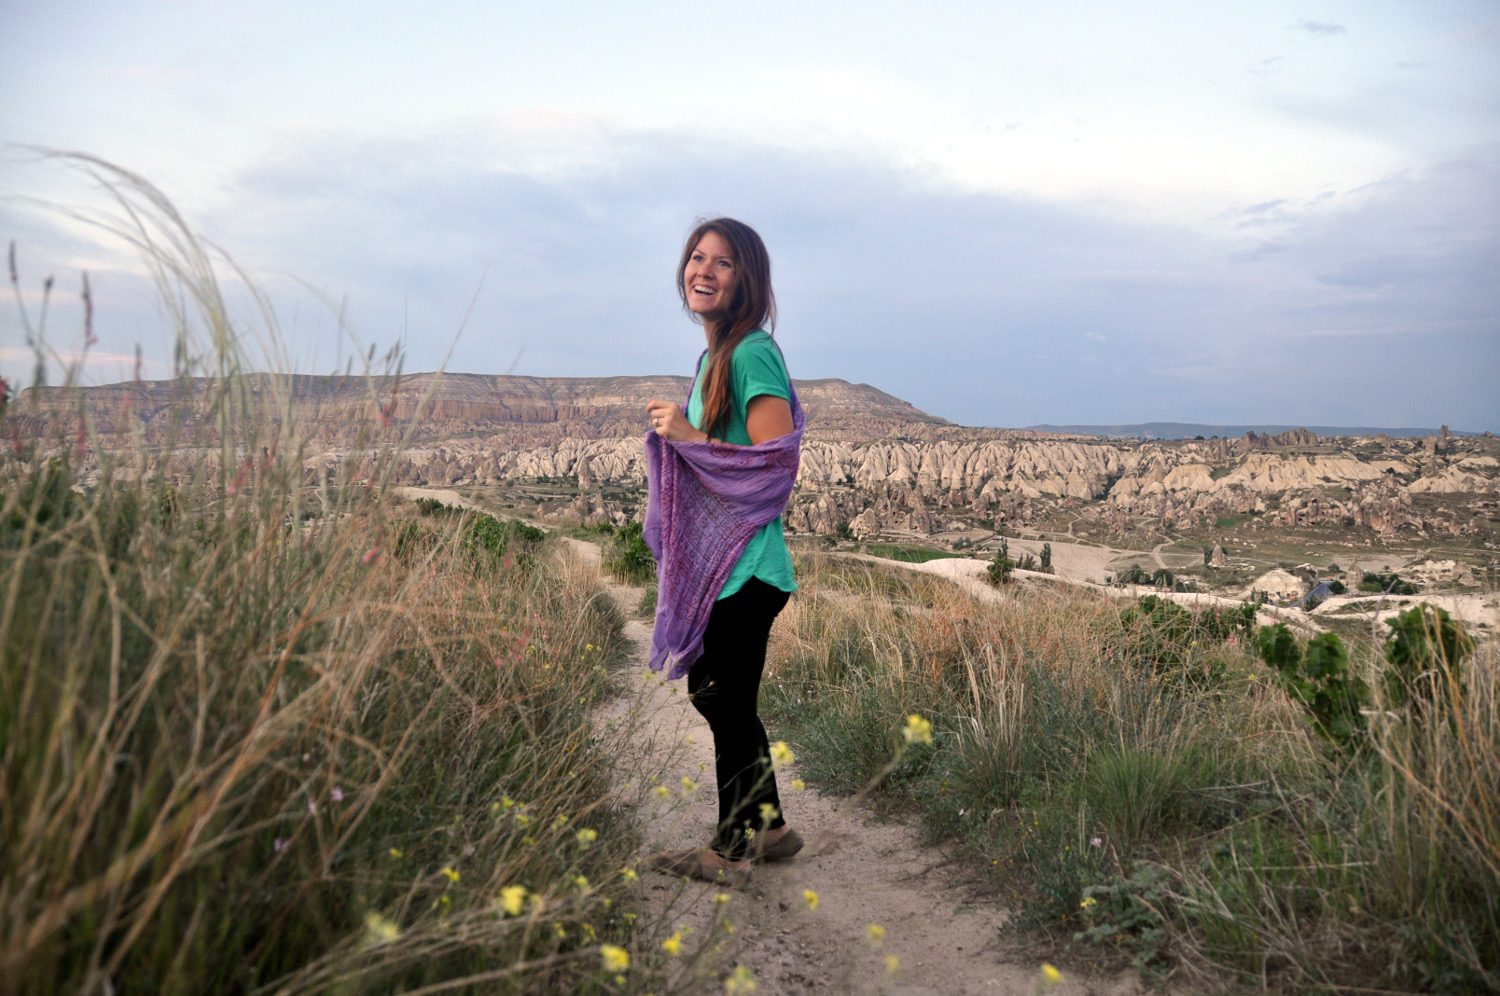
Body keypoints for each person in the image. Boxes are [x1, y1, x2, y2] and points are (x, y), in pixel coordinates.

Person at [642, 218, 805, 885]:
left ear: (748, 280)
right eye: (696, 258)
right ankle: (769, 829)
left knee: (723, 699)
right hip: (727, 572)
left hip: (751, 568)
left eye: (724, 262)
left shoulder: (752, 352)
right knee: (722, 699)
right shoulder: (714, 358)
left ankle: (729, 848)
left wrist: (686, 436)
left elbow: (772, 466)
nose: (703, 271)